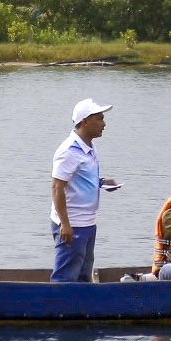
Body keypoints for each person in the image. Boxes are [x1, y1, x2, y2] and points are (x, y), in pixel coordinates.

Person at [50, 98, 116, 283]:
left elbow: (79, 179)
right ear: (85, 121)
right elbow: (57, 187)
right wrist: (65, 224)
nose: (104, 124)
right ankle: (59, 309)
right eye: (100, 119)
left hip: (87, 223)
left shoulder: (89, 146)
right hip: (73, 225)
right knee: (66, 278)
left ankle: (79, 310)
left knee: (82, 276)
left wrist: (101, 182)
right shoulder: (69, 151)